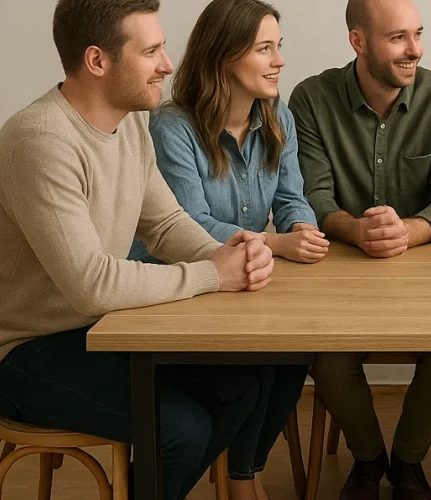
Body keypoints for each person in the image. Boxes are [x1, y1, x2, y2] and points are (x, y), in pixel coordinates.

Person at [0, 1, 275, 499]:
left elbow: (166, 222)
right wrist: (212, 275)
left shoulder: (131, 122)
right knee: (180, 429)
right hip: (22, 351)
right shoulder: (40, 141)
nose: (168, 64)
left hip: (98, 330)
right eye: (151, 51)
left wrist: (229, 254)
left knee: (244, 382)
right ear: (98, 61)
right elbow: (92, 285)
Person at [128, 1, 322, 498]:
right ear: (224, 56)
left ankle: (244, 473)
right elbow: (189, 225)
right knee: (253, 364)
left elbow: (292, 197)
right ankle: (241, 482)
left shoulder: (279, 115)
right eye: (264, 49)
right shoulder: (174, 126)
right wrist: (278, 242)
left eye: (279, 47)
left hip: (244, 279)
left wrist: (302, 228)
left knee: (298, 349)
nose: (279, 60)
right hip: (181, 286)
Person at [288, 0, 431, 498]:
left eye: (417, 34)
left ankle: (408, 462)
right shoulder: (310, 98)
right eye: (397, 38)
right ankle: (368, 459)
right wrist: (356, 231)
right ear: (358, 41)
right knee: (326, 357)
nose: (415, 49)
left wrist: (408, 232)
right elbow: (314, 196)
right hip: (341, 273)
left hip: (428, 275)